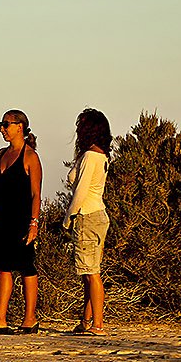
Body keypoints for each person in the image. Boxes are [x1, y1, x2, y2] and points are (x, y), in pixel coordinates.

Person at [0, 109, 42, 333]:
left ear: (19, 127)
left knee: (25, 266)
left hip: (21, 219)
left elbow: (36, 194)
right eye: (1, 124)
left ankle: (30, 319)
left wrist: (34, 223)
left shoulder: (30, 156)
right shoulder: (1, 154)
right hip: (1, 219)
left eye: (6, 124)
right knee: (1, 268)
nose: (1, 129)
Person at [66, 108, 111, 335]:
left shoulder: (90, 157)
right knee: (88, 271)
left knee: (92, 273)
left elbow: (81, 192)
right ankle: (86, 321)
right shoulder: (100, 156)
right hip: (98, 215)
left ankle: (98, 324)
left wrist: (68, 218)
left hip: (87, 216)